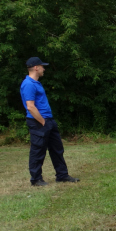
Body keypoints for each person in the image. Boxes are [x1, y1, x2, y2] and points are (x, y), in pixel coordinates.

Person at [20, 57, 79, 186]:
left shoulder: (36, 83)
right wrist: (42, 122)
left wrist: (47, 121)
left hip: (48, 120)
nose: (44, 68)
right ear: (36, 67)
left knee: (57, 149)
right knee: (38, 150)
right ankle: (36, 179)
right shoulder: (28, 84)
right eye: (42, 66)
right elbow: (30, 106)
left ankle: (62, 175)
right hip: (38, 122)